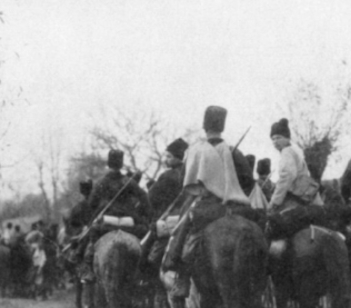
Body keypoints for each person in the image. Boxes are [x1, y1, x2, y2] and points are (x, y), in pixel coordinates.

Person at [162, 105, 254, 297]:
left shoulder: (195, 151)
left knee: (182, 230)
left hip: (207, 206)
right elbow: (248, 182)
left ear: (205, 126)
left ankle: (181, 277)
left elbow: (184, 181)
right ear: (222, 126)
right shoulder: (234, 152)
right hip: (235, 207)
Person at [79, 149, 152, 282]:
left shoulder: (101, 182)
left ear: (108, 163)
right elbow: (144, 199)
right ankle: (145, 270)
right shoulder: (129, 182)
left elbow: (92, 203)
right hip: (128, 222)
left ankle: (88, 269)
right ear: (121, 164)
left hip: (108, 221)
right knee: (145, 235)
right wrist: (144, 216)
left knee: (92, 235)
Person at [143, 137, 189, 269]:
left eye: (169, 156)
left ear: (178, 158)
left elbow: (150, 199)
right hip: (185, 218)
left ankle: (145, 276)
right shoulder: (190, 174)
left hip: (166, 221)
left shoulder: (167, 175)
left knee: (143, 251)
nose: (166, 160)